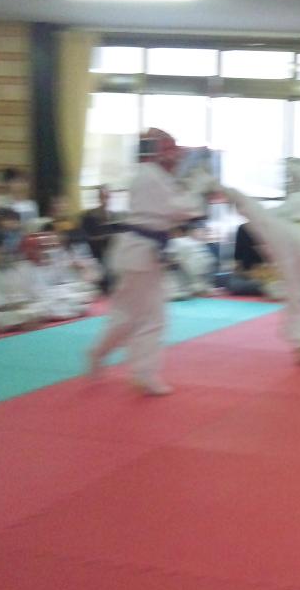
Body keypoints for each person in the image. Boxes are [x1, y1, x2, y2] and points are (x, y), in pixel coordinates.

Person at [88, 128, 210, 395]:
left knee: (132, 314)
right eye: (172, 154)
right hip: (141, 251)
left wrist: (191, 187)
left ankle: (108, 356)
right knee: (146, 317)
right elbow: (181, 209)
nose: (175, 160)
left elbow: (176, 207)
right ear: (160, 153)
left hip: (140, 250)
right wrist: (197, 187)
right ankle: (138, 371)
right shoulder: (151, 176)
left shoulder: (150, 175)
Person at [223, 157, 300, 365]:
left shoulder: (299, 198)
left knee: (262, 219)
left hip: (295, 239)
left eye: (289, 177)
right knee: (296, 294)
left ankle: (233, 194)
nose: (288, 182)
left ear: (296, 179)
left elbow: (269, 218)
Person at [18, 232, 98, 320]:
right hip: (43, 301)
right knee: (43, 308)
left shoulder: (54, 261)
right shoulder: (24, 269)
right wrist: (58, 292)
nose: (45, 251)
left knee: (81, 294)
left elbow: (66, 281)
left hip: (60, 296)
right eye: (40, 248)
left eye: (46, 248)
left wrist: (66, 289)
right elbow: (35, 293)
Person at [164, 223, 216, 300]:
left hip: (189, 283)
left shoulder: (176, 242)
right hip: (198, 281)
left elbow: (168, 261)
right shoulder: (195, 243)